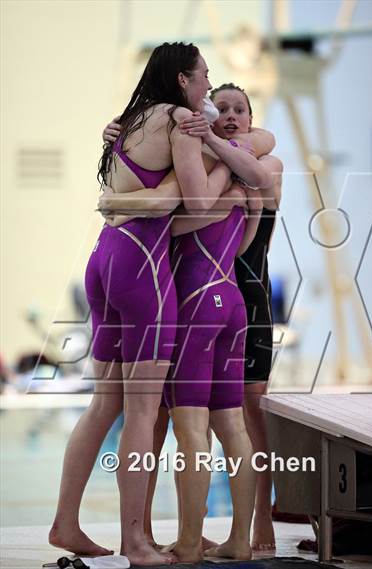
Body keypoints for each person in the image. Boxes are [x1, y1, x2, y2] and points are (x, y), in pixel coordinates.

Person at [49, 42, 233, 566]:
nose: (207, 87)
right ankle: (135, 542)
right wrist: (218, 171)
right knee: (143, 412)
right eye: (203, 77)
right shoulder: (178, 118)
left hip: (104, 261)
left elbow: (140, 185)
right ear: (182, 80)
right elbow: (198, 203)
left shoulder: (128, 121)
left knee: (103, 404)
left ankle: (65, 524)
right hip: (144, 271)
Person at [100, 84, 283, 558]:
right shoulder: (246, 181)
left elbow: (174, 223)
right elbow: (242, 244)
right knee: (233, 428)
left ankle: (188, 542)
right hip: (233, 299)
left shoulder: (210, 171)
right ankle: (239, 541)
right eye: (220, 108)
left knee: (191, 430)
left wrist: (125, 209)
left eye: (238, 109)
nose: (228, 115)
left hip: (196, 305)